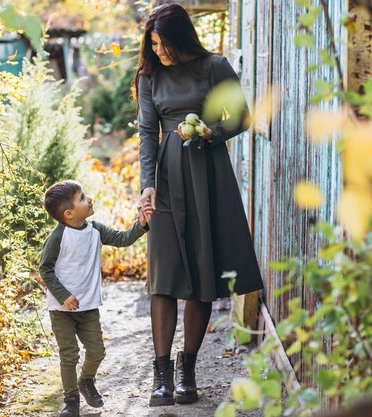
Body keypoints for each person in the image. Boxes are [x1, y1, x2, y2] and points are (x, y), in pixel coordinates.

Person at [133, 3, 265, 407]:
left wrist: (211, 133)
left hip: (207, 176)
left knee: (202, 274)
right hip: (168, 184)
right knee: (164, 276)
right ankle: (161, 377)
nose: (157, 51)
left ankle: (187, 370)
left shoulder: (215, 67)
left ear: (180, 38)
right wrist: (147, 187)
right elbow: (147, 134)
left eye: (163, 44)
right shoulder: (149, 75)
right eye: (152, 44)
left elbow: (241, 118)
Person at [39, 180, 151, 417]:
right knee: (69, 355)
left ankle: (86, 380)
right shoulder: (58, 237)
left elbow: (122, 239)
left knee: (97, 351)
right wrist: (63, 295)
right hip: (62, 310)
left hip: (88, 307)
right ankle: (71, 401)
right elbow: (45, 268)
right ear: (69, 214)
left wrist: (140, 225)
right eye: (82, 198)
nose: (89, 199)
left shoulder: (95, 230)